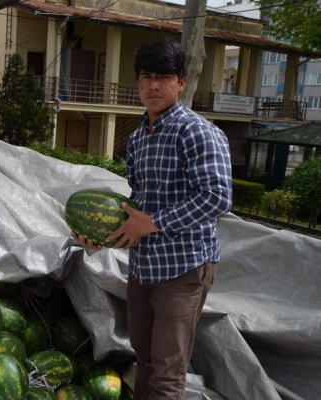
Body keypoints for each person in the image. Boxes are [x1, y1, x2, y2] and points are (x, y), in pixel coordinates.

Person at [72, 38, 233, 399]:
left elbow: (218, 197)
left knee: (167, 370)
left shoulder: (197, 132)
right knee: (143, 359)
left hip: (184, 269)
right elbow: (136, 206)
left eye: (163, 77)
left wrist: (155, 223)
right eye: (146, 77)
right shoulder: (137, 139)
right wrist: (99, 235)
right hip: (143, 266)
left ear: (181, 82)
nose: (153, 86)